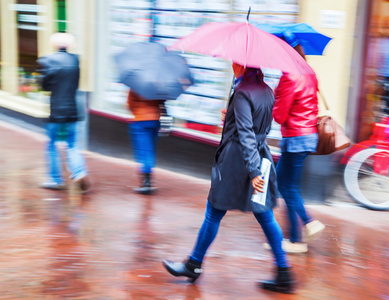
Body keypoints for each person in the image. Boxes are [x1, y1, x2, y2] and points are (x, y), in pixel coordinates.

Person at [163, 64, 295, 294]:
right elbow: (259, 126)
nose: (232, 64)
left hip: (238, 162)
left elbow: (245, 133)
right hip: (260, 157)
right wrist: (232, 116)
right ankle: (284, 272)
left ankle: (193, 265)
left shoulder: (243, 91)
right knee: (265, 215)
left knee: (213, 212)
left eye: (235, 61)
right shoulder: (266, 89)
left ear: (243, 65)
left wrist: (253, 172)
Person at [269, 42, 325, 254]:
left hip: (295, 137)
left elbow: (279, 115)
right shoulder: (308, 72)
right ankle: (295, 238)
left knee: (285, 185)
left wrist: (276, 95)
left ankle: (307, 224)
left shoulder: (289, 76)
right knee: (289, 186)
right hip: (307, 135)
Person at [38, 33, 90, 192]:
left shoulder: (46, 61)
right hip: (73, 109)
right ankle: (79, 171)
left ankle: (55, 179)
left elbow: (43, 86)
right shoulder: (76, 60)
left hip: (56, 110)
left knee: (52, 145)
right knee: (72, 145)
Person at [127, 89, 164, 194]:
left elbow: (130, 102)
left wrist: (137, 112)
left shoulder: (136, 84)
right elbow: (162, 101)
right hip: (155, 120)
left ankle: (146, 182)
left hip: (140, 120)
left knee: (143, 150)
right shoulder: (158, 84)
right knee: (150, 149)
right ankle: (148, 180)